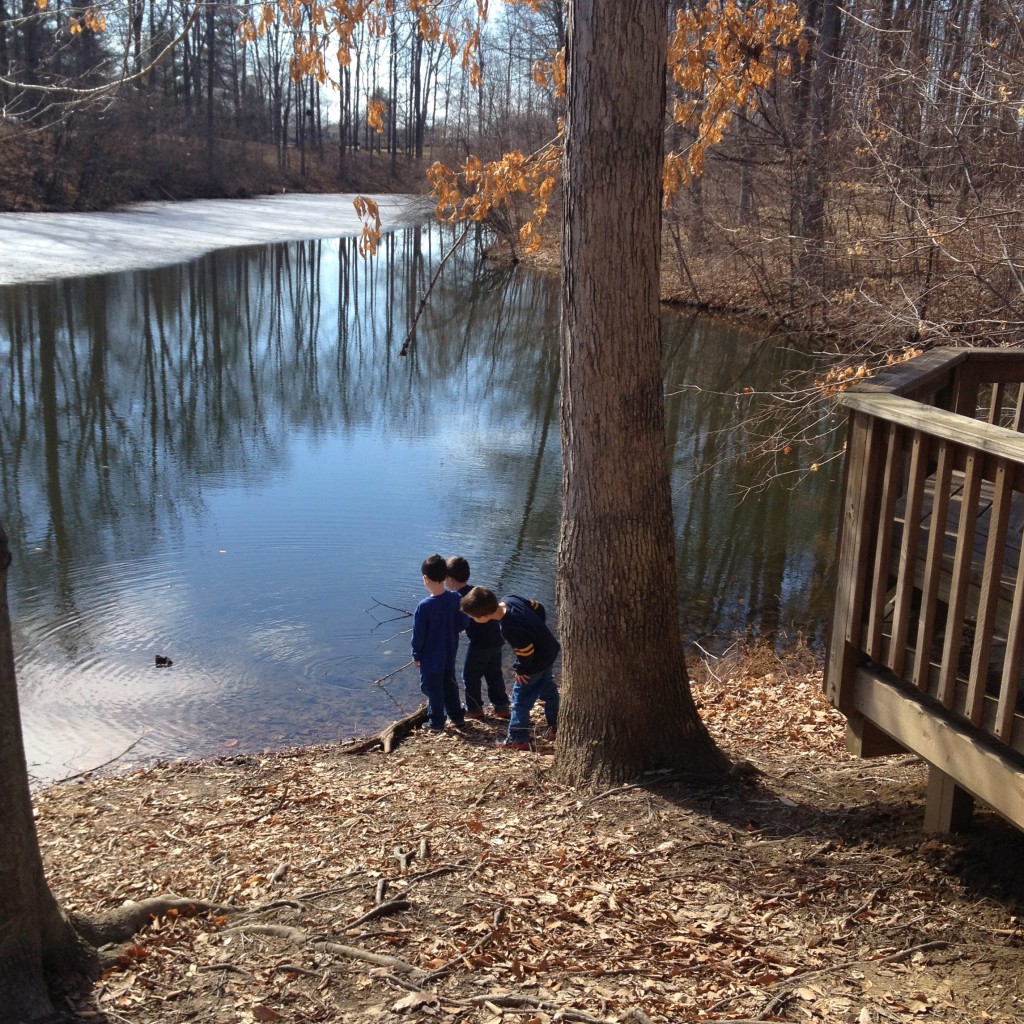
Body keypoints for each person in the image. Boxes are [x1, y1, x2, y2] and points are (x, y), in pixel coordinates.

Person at [459, 586, 559, 750]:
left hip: (535, 662)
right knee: (548, 689)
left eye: (472, 617)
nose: (472, 620)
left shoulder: (510, 628)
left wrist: (521, 670)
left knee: (520, 700)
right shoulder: (511, 598)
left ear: (484, 617)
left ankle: (518, 738)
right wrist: (538, 628)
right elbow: (538, 606)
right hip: (550, 650)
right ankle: (555, 724)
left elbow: (526, 653)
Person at [445, 556, 511, 720]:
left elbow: (459, 624)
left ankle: (474, 708)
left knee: (470, 676)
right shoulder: (477, 591)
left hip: (480, 644)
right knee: (494, 674)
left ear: (450, 579)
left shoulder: (458, 599)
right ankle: (502, 706)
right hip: (497, 639)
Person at [412, 554, 466, 732]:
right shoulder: (456, 598)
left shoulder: (424, 606)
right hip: (449, 654)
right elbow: (465, 622)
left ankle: (436, 722)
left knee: (431, 688)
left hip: (430, 659)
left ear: (426, 579)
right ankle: (457, 717)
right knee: (450, 686)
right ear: (445, 577)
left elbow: (419, 635)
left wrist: (416, 654)